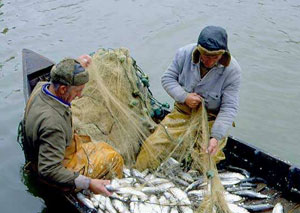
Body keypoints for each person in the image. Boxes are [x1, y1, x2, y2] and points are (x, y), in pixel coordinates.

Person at [135, 25, 241, 171]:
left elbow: (229, 108)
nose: (209, 62)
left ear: (223, 55)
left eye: (214, 57)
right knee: (152, 147)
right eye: (205, 56)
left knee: (207, 159)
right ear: (198, 51)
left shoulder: (232, 71)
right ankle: (139, 172)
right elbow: (167, 78)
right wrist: (184, 97)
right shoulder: (184, 54)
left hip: (211, 119)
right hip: (183, 112)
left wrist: (215, 137)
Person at [23, 55, 124, 196]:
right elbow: (48, 170)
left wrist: (75, 66)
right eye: (77, 91)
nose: (80, 95)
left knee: (101, 147)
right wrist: (89, 183)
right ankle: (109, 193)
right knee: (114, 158)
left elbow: (58, 71)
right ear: (63, 89)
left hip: (44, 152)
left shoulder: (41, 87)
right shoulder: (53, 124)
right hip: (58, 172)